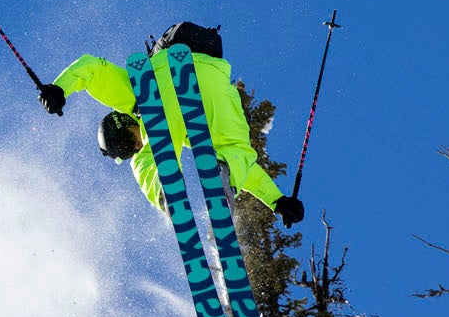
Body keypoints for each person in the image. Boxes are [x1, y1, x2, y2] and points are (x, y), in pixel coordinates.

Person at [36, 21, 304, 226]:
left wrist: (59, 88)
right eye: (127, 150)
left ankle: (166, 191)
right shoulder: (181, 128)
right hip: (215, 76)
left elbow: (92, 68)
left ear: (120, 121)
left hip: (167, 73)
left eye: (126, 143)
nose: (133, 147)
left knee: (151, 153)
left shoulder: (132, 100)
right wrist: (277, 200)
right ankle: (226, 173)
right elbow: (91, 68)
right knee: (236, 149)